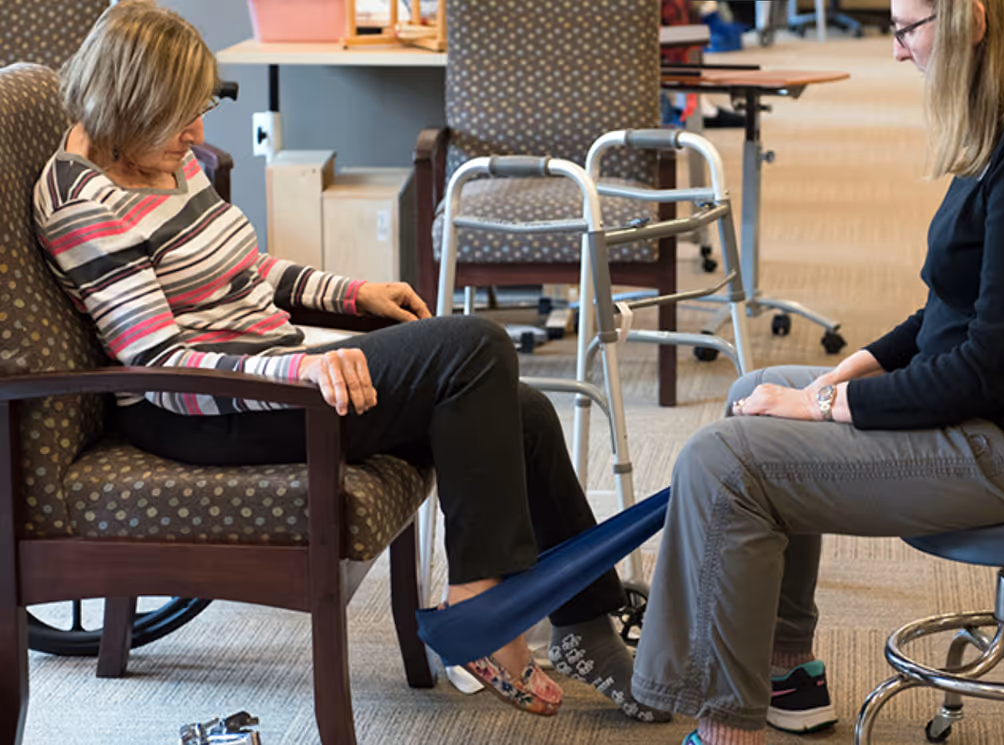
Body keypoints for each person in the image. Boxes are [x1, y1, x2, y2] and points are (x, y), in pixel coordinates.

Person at [33, 0, 670, 724]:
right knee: (476, 347)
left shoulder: (154, 154)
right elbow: (160, 361)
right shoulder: (83, 199)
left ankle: (588, 621)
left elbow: (245, 272)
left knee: (519, 411)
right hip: (201, 413)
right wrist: (301, 372)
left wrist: (353, 294)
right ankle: (479, 615)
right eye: (179, 117)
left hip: (268, 373)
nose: (197, 134)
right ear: (128, 102)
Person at [630, 1, 1004, 743]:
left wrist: (831, 406)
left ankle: (726, 728)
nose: (899, 52)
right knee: (757, 393)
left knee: (724, 465)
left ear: (969, 18)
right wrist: (852, 369)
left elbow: (992, 368)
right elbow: (961, 304)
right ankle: (785, 672)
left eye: (908, 28)